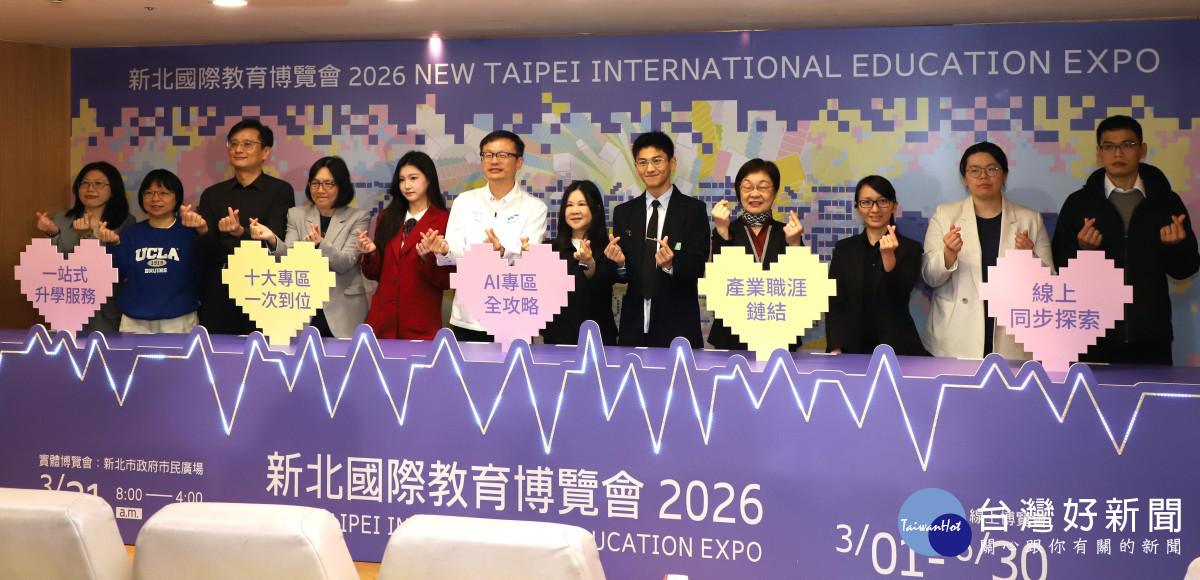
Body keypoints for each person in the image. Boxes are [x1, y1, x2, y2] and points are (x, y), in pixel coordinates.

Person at [1051, 115, 1199, 365]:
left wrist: (1176, 246)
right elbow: (1059, 266)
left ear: (1142, 149)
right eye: (1109, 146)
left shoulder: (1166, 202)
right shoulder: (1079, 203)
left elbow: (1186, 269)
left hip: (1152, 336)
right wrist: (1081, 249)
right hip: (1092, 334)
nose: (1118, 153)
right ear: (1099, 152)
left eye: (1127, 145)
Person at [922, 142, 1053, 359]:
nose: (983, 176)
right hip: (955, 336)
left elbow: (1050, 285)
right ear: (964, 177)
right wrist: (948, 255)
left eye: (992, 169)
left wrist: (1031, 258)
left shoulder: (1030, 219)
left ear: (1005, 175)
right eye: (975, 170)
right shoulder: (944, 215)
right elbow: (930, 277)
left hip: (1013, 337)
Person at [431, 130, 548, 342]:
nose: (494, 161)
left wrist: (502, 252)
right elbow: (458, 252)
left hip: (513, 316)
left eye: (503, 155)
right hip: (468, 316)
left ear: (519, 162)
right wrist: (445, 250)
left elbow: (531, 259)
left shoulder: (535, 208)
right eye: (488, 155)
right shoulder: (464, 202)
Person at [184, 119, 295, 335]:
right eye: (233, 144)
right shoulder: (213, 194)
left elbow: (276, 244)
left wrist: (239, 232)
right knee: (218, 350)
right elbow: (206, 254)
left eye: (247, 144)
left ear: (265, 152)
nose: (238, 149)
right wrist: (202, 231)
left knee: (262, 351)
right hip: (219, 289)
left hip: (263, 287)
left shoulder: (280, 191)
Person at [604, 131, 710, 348]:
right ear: (636, 167)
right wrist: (620, 264)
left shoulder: (693, 211)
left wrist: (671, 264)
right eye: (642, 162)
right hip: (633, 326)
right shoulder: (624, 213)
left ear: (672, 163)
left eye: (657, 160)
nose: (650, 168)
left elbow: (698, 267)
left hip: (678, 326)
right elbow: (623, 276)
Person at [248, 156, 370, 339]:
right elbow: (289, 258)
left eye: (328, 184)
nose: (320, 190)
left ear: (342, 186)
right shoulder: (296, 214)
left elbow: (345, 263)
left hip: (343, 311)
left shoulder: (359, 217)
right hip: (304, 306)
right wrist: (272, 238)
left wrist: (320, 244)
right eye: (315, 183)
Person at [706, 158, 805, 351]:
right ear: (739, 192)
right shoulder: (726, 230)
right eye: (747, 187)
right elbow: (718, 283)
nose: (755, 193)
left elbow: (802, 287)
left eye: (763, 187)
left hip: (779, 335)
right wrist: (722, 232)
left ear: (774, 192)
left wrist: (794, 244)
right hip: (732, 336)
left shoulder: (788, 232)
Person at [826, 176, 928, 356]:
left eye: (882, 201)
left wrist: (888, 257)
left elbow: (899, 294)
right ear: (858, 208)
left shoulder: (910, 248)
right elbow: (834, 302)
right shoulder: (844, 249)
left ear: (894, 206)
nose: (875, 209)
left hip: (897, 349)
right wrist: (835, 346)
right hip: (851, 349)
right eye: (866, 202)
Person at [357, 151, 452, 340]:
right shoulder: (386, 217)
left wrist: (426, 258)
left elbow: (446, 281)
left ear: (429, 179)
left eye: (413, 178)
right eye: (402, 180)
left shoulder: (444, 220)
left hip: (420, 323)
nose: (407, 185)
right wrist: (372, 253)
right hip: (382, 321)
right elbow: (376, 275)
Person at [94, 169, 200, 334]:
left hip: (179, 319)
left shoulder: (189, 232)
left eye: (163, 192)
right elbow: (121, 273)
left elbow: (204, 270)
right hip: (134, 321)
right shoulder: (130, 233)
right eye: (149, 192)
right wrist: (114, 244)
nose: (155, 198)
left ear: (177, 197)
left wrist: (202, 231)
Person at [35, 161, 134, 333]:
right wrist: (52, 234)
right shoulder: (61, 218)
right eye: (85, 183)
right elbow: (52, 266)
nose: (90, 189)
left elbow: (115, 266)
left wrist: (87, 237)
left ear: (113, 190)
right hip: (67, 305)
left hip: (106, 308)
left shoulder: (126, 222)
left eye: (99, 184)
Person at [541, 180, 619, 346]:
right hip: (556, 340)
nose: (575, 210)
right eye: (569, 205)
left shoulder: (608, 248)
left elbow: (604, 282)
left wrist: (589, 263)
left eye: (582, 204)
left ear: (596, 209)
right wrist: (528, 257)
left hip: (598, 340)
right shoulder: (549, 249)